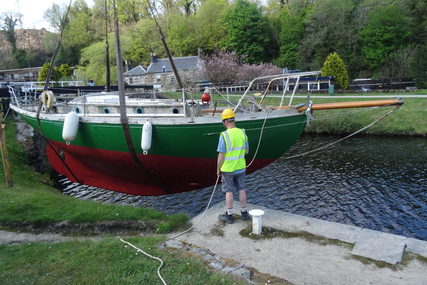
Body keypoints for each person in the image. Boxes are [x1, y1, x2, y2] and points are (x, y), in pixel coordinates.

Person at [217, 108, 250, 224]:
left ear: (225, 122)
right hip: (241, 167)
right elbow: (247, 151)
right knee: (241, 189)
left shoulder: (224, 135)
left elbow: (221, 155)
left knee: (229, 191)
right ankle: (244, 213)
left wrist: (218, 170)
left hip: (228, 169)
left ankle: (229, 216)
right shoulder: (242, 132)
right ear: (233, 120)